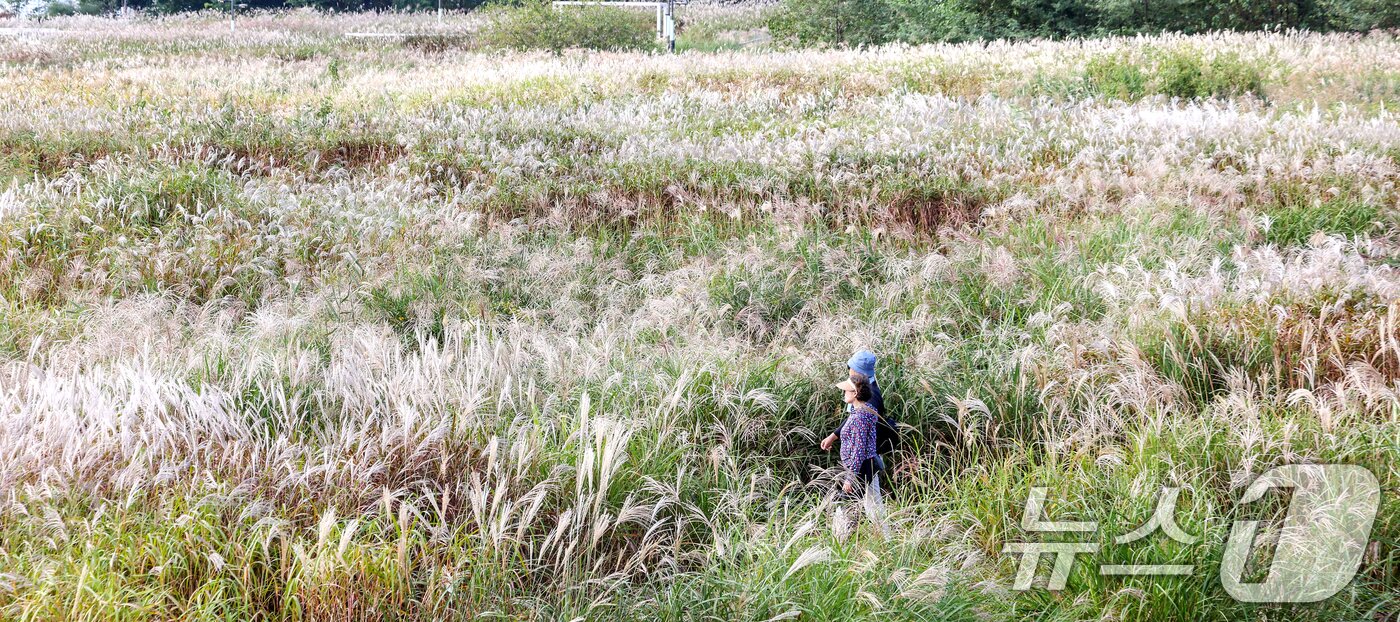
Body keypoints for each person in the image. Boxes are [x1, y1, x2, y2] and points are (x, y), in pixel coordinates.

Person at [821, 350, 897, 458]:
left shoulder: (870, 397)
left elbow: (860, 446)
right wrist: (833, 436)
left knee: (868, 474)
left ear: (857, 372)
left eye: (849, 367)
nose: (849, 371)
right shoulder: (868, 387)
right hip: (868, 452)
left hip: (866, 456)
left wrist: (852, 467)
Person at [830, 372, 881, 499]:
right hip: (862, 465)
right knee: (870, 501)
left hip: (859, 467)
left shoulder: (860, 417)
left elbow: (859, 449)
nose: (844, 393)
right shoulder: (866, 409)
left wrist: (850, 478)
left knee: (846, 506)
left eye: (847, 390)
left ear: (855, 393)